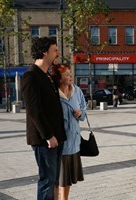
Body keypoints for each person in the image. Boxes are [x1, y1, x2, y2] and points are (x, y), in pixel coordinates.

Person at [21, 37, 67, 200]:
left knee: (53, 180)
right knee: (47, 180)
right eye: (55, 50)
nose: (58, 53)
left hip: (57, 137)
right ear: (44, 52)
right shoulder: (31, 76)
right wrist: (48, 135)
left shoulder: (47, 76)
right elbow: (34, 111)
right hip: (45, 139)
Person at [51, 64, 86, 200]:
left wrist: (80, 113)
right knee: (56, 178)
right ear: (59, 79)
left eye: (70, 73)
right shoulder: (54, 94)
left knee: (66, 179)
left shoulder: (77, 91)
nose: (71, 76)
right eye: (67, 74)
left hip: (74, 142)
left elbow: (83, 108)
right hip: (60, 142)